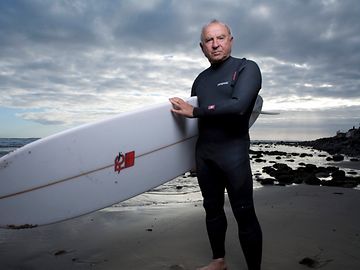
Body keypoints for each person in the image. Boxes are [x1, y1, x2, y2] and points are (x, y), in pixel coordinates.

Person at [169, 19, 263, 270]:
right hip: (205, 155)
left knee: (244, 212)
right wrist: (190, 159)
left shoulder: (247, 68)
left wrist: (196, 111)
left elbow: (239, 106)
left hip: (233, 153)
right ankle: (218, 261)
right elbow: (192, 126)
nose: (215, 44)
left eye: (220, 38)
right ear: (202, 47)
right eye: (209, 40)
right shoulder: (200, 80)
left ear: (230, 40)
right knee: (211, 210)